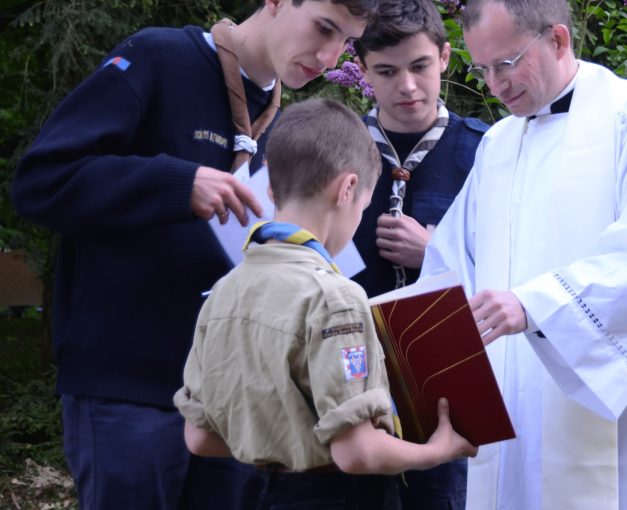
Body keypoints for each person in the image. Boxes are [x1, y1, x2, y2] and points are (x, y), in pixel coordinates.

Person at [10, 0, 379, 510]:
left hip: (232, 404)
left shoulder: (287, 127)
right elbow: (42, 181)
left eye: (346, 43)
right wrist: (177, 184)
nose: (330, 58)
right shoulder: (161, 58)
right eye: (324, 28)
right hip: (130, 393)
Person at [421, 0, 627, 509]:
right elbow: (453, 265)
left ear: (558, 38)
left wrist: (537, 304)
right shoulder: (496, 145)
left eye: (507, 64)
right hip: (518, 420)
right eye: (482, 69)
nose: (493, 85)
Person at [173, 98, 478, 509]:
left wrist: (286, 434)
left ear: (271, 188)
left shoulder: (224, 291)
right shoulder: (336, 297)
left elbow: (201, 437)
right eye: (362, 208)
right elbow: (357, 453)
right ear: (348, 188)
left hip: (254, 493)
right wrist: (437, 451)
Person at [349, 0, 488, 508]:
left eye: (420, 66)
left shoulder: (485, 153)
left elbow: (518, 272)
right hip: (348, 381)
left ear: (446, 58)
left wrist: (436, 253)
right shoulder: (337, 147)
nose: (407, 86)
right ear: (362, 69)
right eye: (386, 71)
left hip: (447, 389)